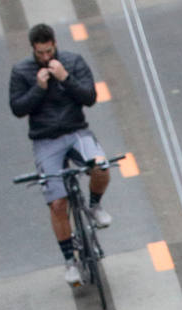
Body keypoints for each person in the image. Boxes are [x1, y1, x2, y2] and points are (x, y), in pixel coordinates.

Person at [9, 23, 114, 288]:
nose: (45, 57)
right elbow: (18, 108)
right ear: (33, 49)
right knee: (57, 203)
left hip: (76, 131)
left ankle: (94, 206)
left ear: (55, 43)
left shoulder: (73, 62)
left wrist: (66, 77)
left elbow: (90, 97)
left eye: (49, 51)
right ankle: (70, 260)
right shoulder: (21, 71)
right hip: (45, 139)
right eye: (40, 53)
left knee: (101, 167)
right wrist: (38, 88)